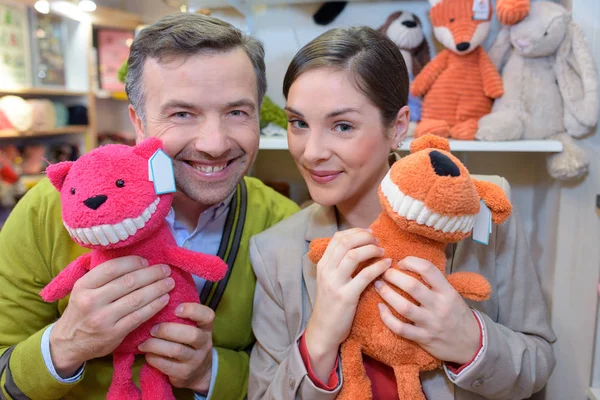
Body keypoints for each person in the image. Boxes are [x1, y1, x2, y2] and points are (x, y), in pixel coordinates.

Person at [0, 12, 299, 400]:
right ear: (138, 123)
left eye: (237, 112)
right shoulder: (53, 207)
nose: (215, 143)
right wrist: (64, 346)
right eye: (182, 114)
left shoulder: (284, 224)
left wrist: (210, 374)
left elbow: (295, 374)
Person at [248, 26, 556, 399]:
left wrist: (469, 340)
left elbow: (538, 364)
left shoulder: (482, 218)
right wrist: (319, 339)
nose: (311, 152)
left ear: (397, 127)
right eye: (299, 123)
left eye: (342, 126)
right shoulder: (274, 251)